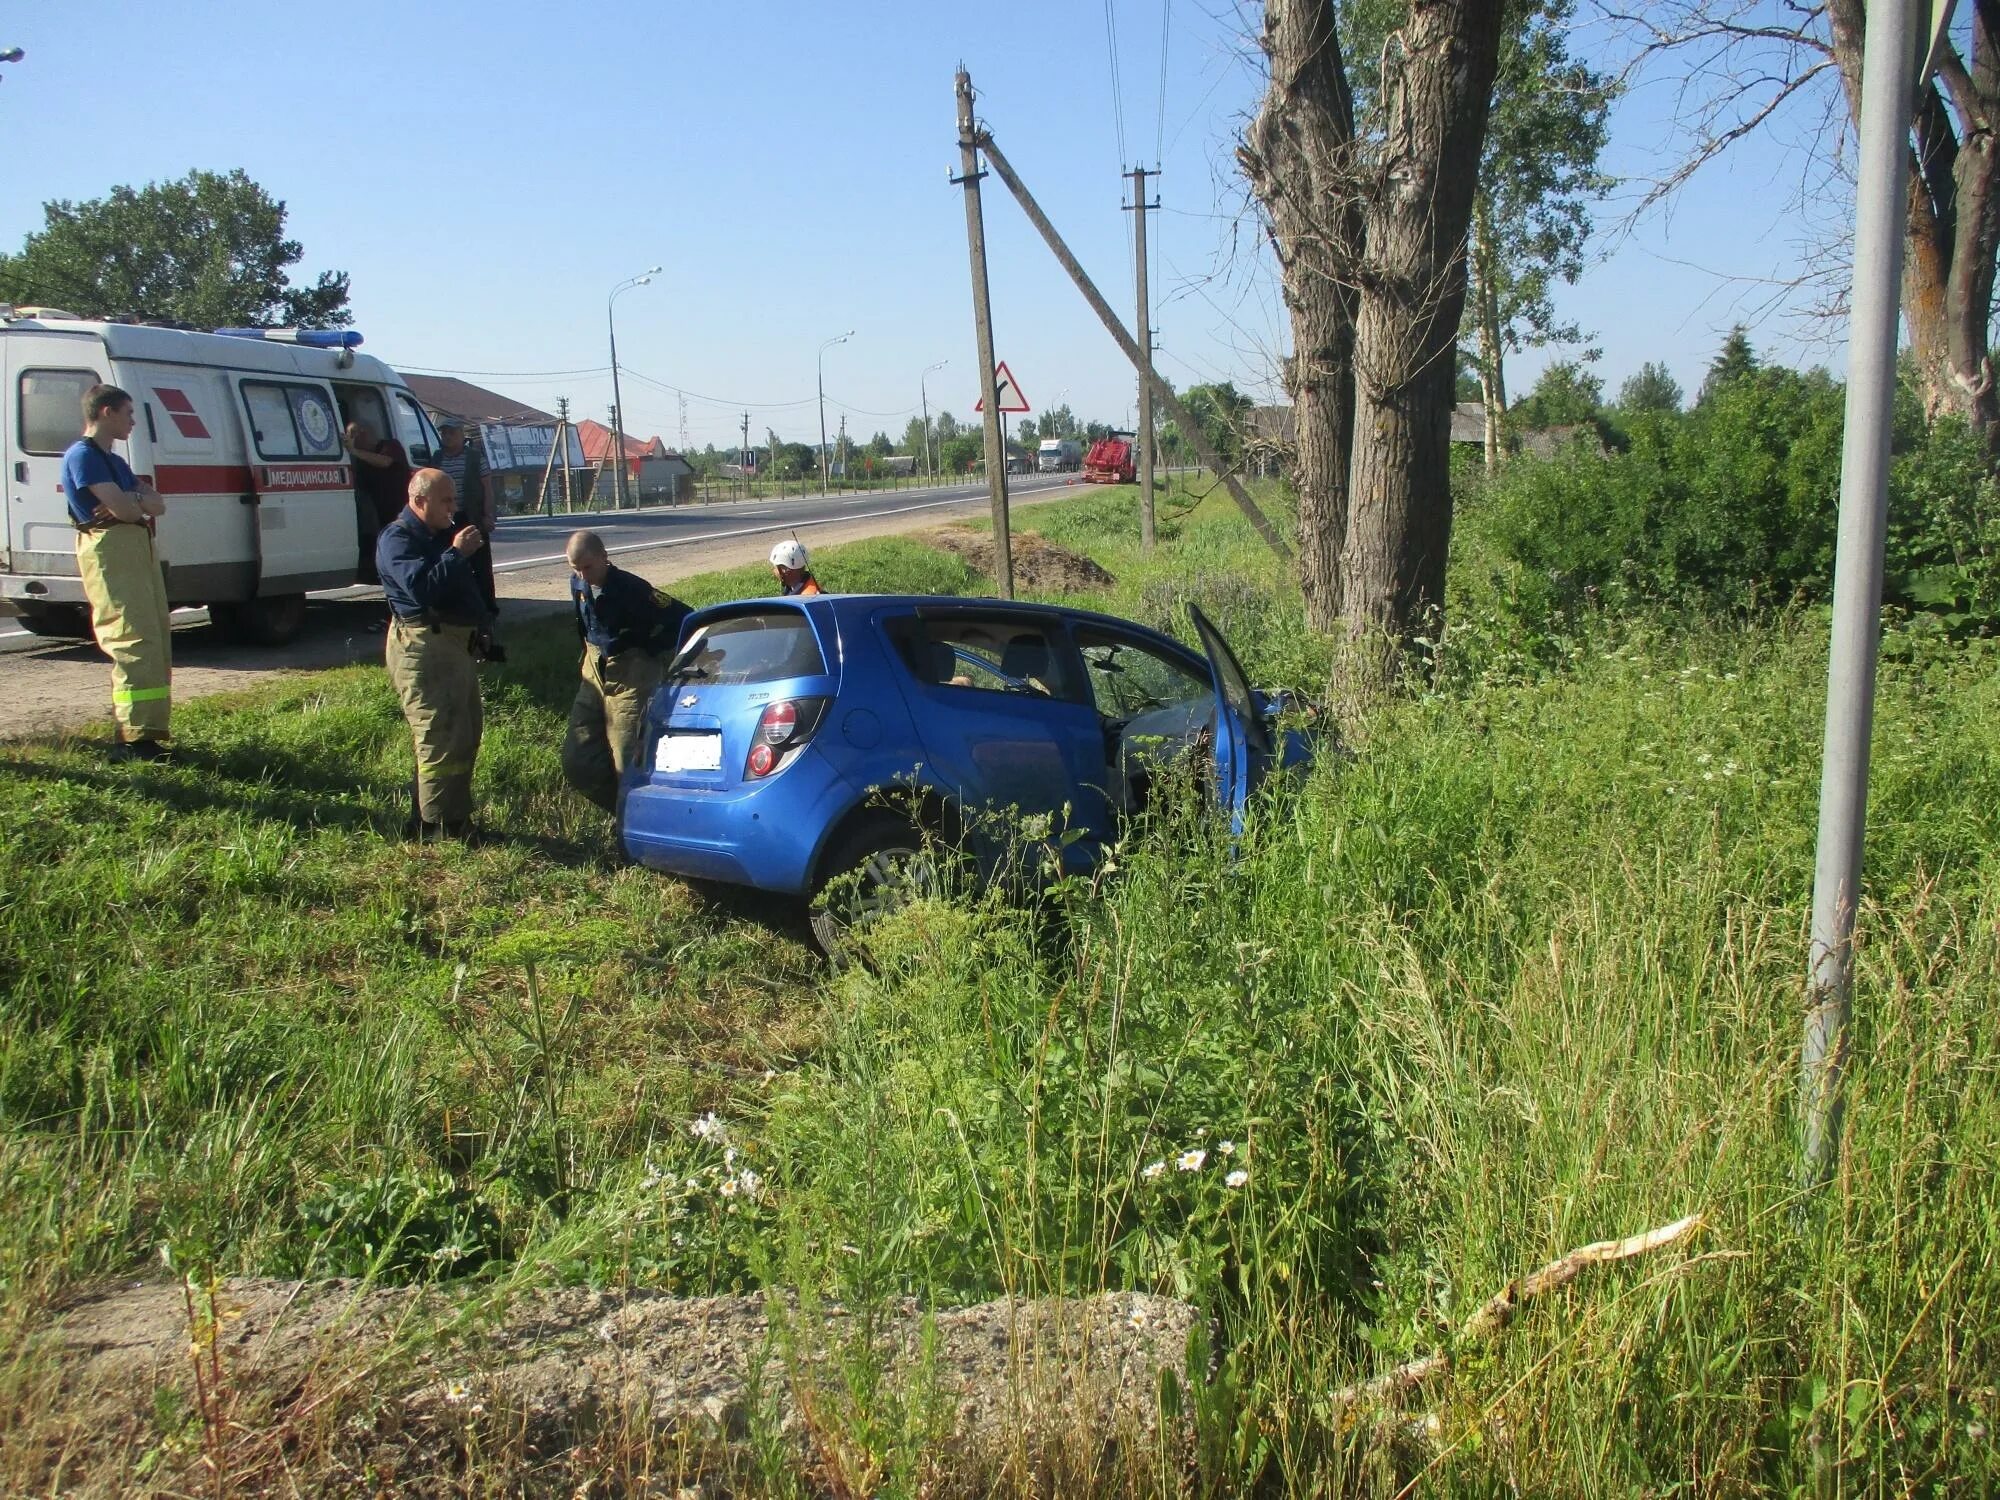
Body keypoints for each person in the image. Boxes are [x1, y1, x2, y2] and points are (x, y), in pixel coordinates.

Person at [61, 384, 172, 762]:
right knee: (131, 639)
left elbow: (155, 505)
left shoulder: (115, 461)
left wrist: (134, 501)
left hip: (134, 547)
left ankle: (147, 733)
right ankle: (131, 740)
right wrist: (133, 504)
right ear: (106, 412)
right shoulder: (83, 456)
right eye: (128, 413)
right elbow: (125, 511)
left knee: (153, 634)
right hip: (110, 549)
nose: (133, 422)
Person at [377, 468, 489, 839]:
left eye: (454, 500)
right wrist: (457, 553)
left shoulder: (439, 534)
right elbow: (421, 591)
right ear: (419, 501)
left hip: (452, 647)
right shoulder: (398, 539)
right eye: (446, 501)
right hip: (424, 647)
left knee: (464, 731)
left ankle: (447, 816)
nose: (453, 509)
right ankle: (439, 826)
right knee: (438, 737)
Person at [561, 530, 690, 812]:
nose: (582, 575)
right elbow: (583, 625)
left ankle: (639, 823)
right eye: (575, 568)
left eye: (588, 567)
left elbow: (681, 618)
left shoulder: (632, 590)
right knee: (577, 757)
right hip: (595, 668)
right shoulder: (578, 584)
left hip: (631, 672)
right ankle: (620, 809)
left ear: (604, 558)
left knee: (629, 758)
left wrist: (651, 649)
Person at [433, 419, 499, 615]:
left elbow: (487, 488)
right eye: (444, 433)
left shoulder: (474, 457)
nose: (447, 437)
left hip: (472, 517)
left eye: (451, 433)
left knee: (481, 567)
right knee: (452, 562)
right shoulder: (437, 458)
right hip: (447, 519)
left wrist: (488, 515)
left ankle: (488, 609)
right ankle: (457, 608)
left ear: (462, 435)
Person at [346, 419, 410, 582]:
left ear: (364, 434)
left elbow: (385, 461)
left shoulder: (391, 446)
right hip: (378, 514)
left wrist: (354, 451)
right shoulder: (363, 460)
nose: (351, 440)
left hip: (399, 513)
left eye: (352, 435)